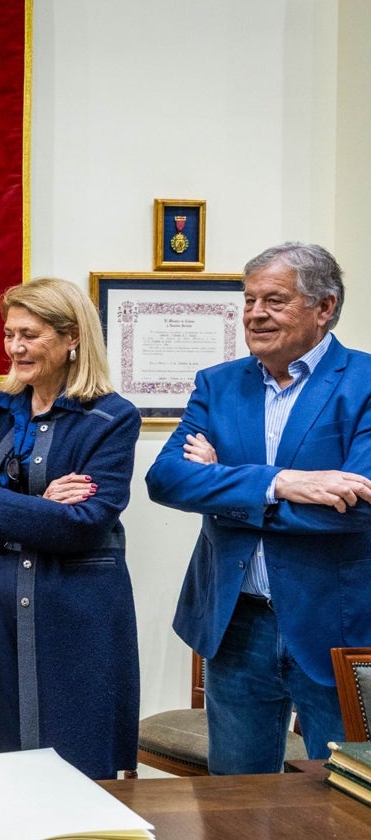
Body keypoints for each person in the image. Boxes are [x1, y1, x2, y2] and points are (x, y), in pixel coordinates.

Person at [145, 242, 371, 774]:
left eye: (275, 299)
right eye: (248, 300)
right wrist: (283, 483)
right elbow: (166, 479)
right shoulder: (218, 384)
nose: (255, 314)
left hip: (335, 625)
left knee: (342, 796)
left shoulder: (363, 384)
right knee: (235, 797)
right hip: (237, 622)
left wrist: (223, 487)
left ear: (325, 307)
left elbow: (359, 506)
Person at [0, 277, 141, 780]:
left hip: (77, 617)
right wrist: (34, 509)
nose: (15, 347)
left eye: (31, 334)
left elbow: (85, 525)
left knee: (79, 764)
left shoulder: (112, 419)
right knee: (2, 763)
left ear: (72, 338)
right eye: (10, 334)